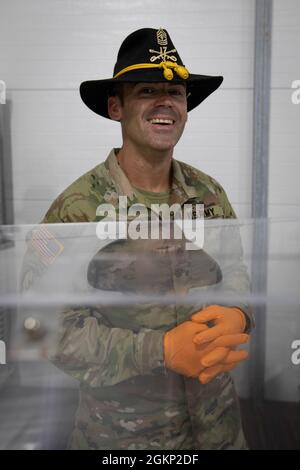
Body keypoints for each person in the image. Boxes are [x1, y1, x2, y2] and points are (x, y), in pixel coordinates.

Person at [21, 28, 254, 450]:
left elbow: (234, 270)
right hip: (125, 438)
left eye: (176, 92)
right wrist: (159, 349)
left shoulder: (209, 194)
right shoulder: (76, 209)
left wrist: (238, 313)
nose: (166, 102)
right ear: (116, 107)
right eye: (148, 90)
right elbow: (43, 327)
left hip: (216, 427)